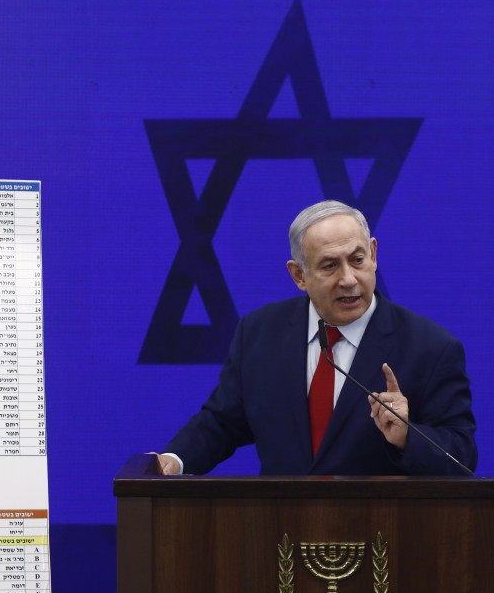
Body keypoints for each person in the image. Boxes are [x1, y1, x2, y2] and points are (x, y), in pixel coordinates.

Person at [156, 200, 477, 476]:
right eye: (329, 266)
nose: (349, 279)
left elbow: (461, 458)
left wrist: (407, 436)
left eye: (357, 259)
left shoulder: (430, 348)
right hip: (282, 537)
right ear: (299, 275)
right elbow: (222, 422)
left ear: (374, 254)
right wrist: (173, 460)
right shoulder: (258, 333)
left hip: (381, 536)